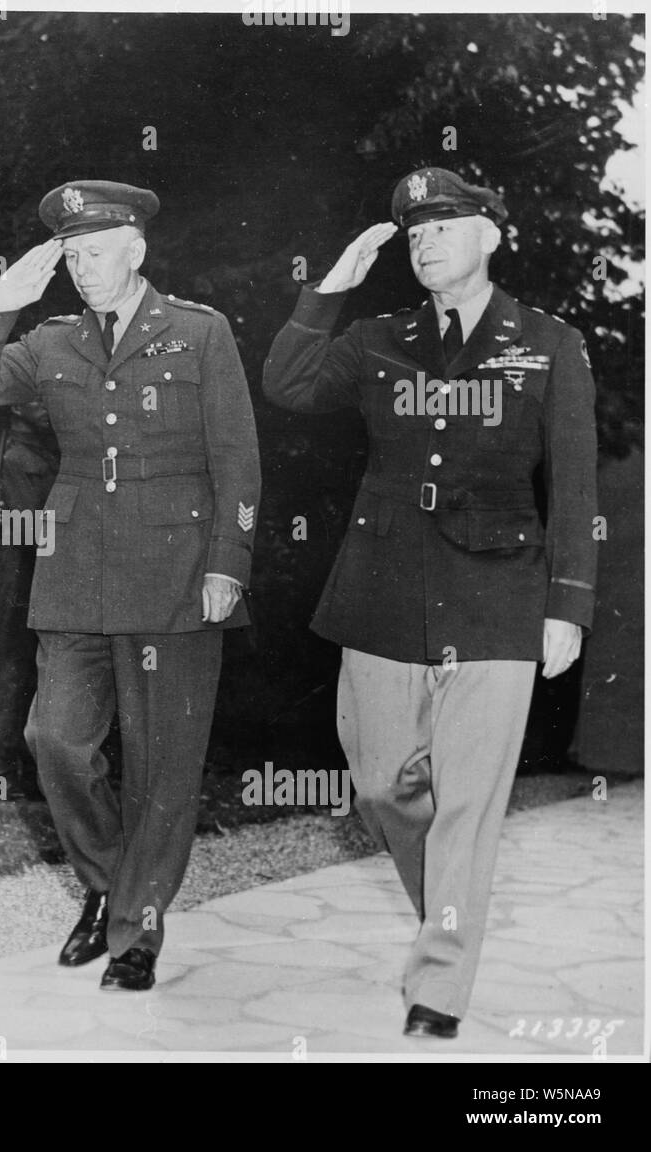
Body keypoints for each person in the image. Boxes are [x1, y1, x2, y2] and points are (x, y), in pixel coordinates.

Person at [263, 167, 598, 1038]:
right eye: (415, 231)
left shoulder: (549, 343)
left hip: (498, 594)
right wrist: (329, 287)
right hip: (381, 591)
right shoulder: (380, 336)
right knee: (381, 784)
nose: (427, 241)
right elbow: (288, 385)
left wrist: (568, 604)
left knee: (468, 804)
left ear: (492, 235)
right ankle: (444, 910)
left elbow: (574, 480)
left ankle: (438, 987)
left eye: (447, 224)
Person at [0, 181, 261, 990]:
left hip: (178, 571)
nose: (83, 268)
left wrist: (230, 560)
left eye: (96, 251)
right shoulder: (51, 342)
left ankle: (136, 931)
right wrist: (0, 301)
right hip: (78, 570)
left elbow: (237, 457)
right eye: (71, 255)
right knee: (53, 740)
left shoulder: (198, 332)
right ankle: (106, 885)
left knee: (163, 765)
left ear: (137, 249)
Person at [0, 401, 59, 802]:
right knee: (15, 671)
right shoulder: (15, 459)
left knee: (38, 676)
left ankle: (33, 771)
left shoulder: (52, 452)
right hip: (23, 579)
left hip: (46, 577)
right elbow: (30, 526)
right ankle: (4, 769)